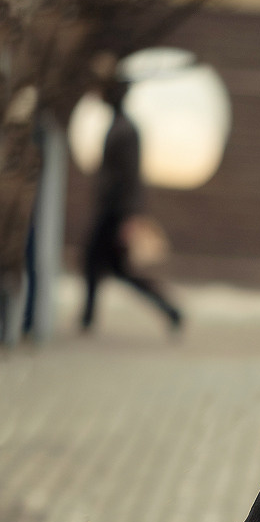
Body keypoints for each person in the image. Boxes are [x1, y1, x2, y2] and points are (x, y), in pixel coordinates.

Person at [81, 78, 182, 332]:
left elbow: (130, 177)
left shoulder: (125, 130)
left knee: (98, 263)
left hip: (116, 212)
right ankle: (169, 310)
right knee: (109, 267)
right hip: (112, 209)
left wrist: (129, 217)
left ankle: (88, 319)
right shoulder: (119, 126)